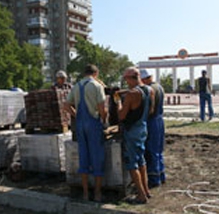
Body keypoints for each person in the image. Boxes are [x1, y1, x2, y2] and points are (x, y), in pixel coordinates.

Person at [64, 64, 107, 202]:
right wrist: (104, 119)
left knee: (84, 157)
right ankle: (97, 193)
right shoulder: (96, 86)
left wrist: (76, 115)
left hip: (81, 125)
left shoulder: (76, 86)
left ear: (85, 73)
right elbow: (102, 107)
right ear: (96, 73)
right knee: (97, 157)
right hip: (94, 124)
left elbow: (65, 105)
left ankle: (85, 194)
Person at [115, 67, 151, 204]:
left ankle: (141, 195)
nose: (125, 82)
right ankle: (146, 190)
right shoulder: (149, 90)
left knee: (132, 163)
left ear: (131, 78)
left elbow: (121, 115)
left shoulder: (131, 94)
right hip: (143, 127)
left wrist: (118, 102)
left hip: (132, 131)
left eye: (126, 79)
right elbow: (150, 109)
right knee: (141, 160)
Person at [140, 69, 166, 189]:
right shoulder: (159, 87)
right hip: (160, 120)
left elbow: (149, 108)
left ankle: (154, 178)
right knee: (159, 150)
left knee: (151, 151)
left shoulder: (150, 89)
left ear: (144, 79)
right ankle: (161, 174)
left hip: (152, 121)